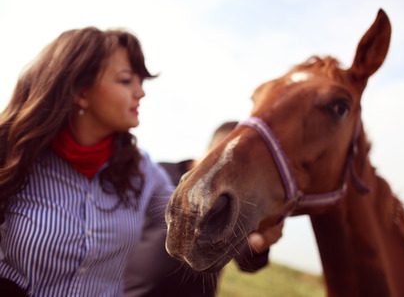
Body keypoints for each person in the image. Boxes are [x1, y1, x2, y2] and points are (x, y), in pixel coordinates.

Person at [0, 27, 174, 296]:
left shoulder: (144, 171)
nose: (140, 92)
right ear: (81, 92)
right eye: (126, 80)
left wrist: (253, 241)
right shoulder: (11, 154)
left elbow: (191, 220)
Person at [124, 121, 284, 297]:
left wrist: (260, 244)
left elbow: (247, 261)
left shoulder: (232, 198)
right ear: (219, 148)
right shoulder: (160, 173)